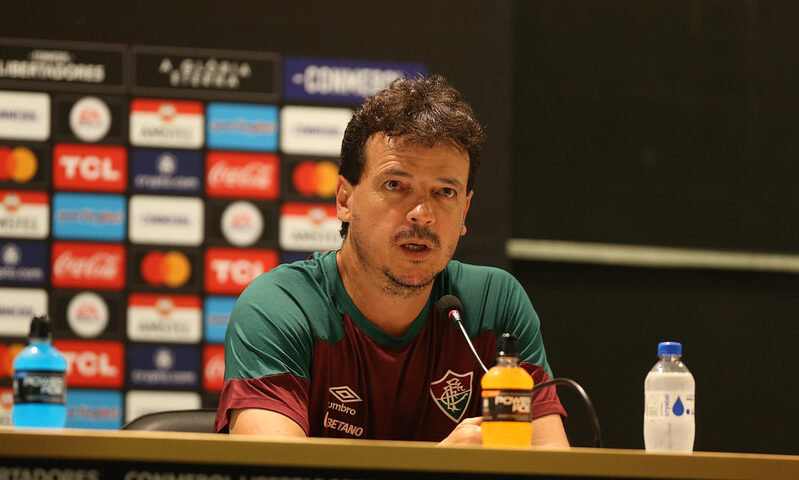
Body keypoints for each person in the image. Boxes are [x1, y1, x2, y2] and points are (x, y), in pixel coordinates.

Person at [214, 74, 569, 446]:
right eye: (395, 185)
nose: (421, 213)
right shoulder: (280, 307)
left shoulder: (495, 306)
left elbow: (550, 462)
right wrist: (436, 471)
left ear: (465, 210)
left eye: (445, 191)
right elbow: (275, 475)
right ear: (344, 199)